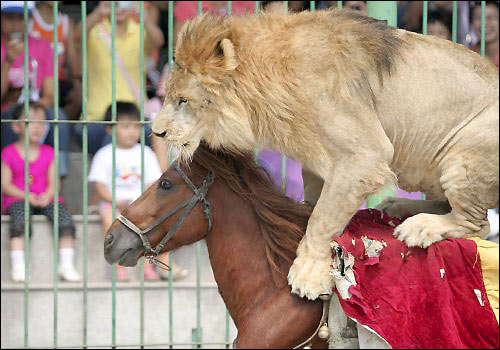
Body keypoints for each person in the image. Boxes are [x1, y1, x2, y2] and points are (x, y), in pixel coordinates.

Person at [87, 102, 188, 282]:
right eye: (125, 126)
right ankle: (119, 265)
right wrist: (116, 201)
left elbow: (152, 183)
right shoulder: (104, 154)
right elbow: (100, 186)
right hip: (113, 202)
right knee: (109, 218)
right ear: (110, 129)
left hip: (140, 204)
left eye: (136, 126)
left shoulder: (146, 153)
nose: (132, 131)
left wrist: (142, 203)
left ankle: (150, 266)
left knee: (153, 224)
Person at [1, 102, 81, 283]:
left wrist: (48, 195)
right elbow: (5, 184)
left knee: (66, 221)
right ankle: (19, 266)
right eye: (31, 122)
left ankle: (66, 265)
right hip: (18, 199)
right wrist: (26, 196)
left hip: (46, 198)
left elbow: (55, 183)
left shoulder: (49, 153)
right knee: (19, 223)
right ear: (16, 126)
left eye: (42, 122)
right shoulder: (8, 153)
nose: (37, 127)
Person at [73, 1, 164, 155]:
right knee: (115, 136)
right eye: (114, 3)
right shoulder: (94, 32)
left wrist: (145, 19)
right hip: (96, 119)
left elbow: (159, 41)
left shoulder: (139, 32)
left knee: (153, 138)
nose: (119, 7)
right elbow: (76, 36)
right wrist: (98, 13)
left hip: (135, 118)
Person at [1, 1, 71, 177]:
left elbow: (50, 95)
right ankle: (13, 174)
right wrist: (8, 61)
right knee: (11, 119)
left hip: (36, 105)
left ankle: (59, 175)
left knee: (59, 118)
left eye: (21, 18)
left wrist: (31, 110)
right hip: (7, 110)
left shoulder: (42, 46)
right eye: (10, 18)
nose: (16, 24)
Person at [29, 1, 82, 120]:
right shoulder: (29, 18)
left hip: (58, 79)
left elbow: (73, 58)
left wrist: (78, 82)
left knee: (79, 96)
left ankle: (58, 127)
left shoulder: (66, 22)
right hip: (33, 80)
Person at [470, 0, 499, 67]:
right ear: (471, 23)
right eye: (478, 18)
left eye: (490, 17)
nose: (485, 23)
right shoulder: (469, 55)